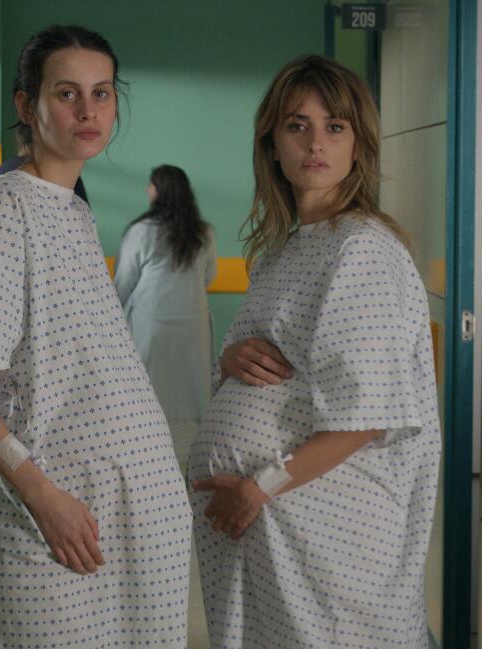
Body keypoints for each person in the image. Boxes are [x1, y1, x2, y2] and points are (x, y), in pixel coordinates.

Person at [0, 25, 191, 647]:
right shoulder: (2, 210)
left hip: (108, 526)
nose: (88, 111)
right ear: (25, 105)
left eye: (102, 93)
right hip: (45, 524)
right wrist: (41, 495)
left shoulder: (70, 209)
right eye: (67, 93)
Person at [189, 54, 442, 648]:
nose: (315, 143)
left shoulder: (362, 251)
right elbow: (267, 363)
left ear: (359, 144)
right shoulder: (286, 251)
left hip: (329, 534)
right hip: (280, 531)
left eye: (335, 126)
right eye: (297, 125)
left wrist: (259, 486)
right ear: (271, 142)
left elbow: (365, 415)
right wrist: (230, 362)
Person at [113, 164, 216, 467]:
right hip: (193, 321)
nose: (148, 190)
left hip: (148, 321)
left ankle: (148, 458)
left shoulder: (141, 231)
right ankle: (187, 460)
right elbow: (209, 277)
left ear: (157, 190)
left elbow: (124, 281)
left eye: (150, 185)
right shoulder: (204, 232)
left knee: (148, 389)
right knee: (192, 391)